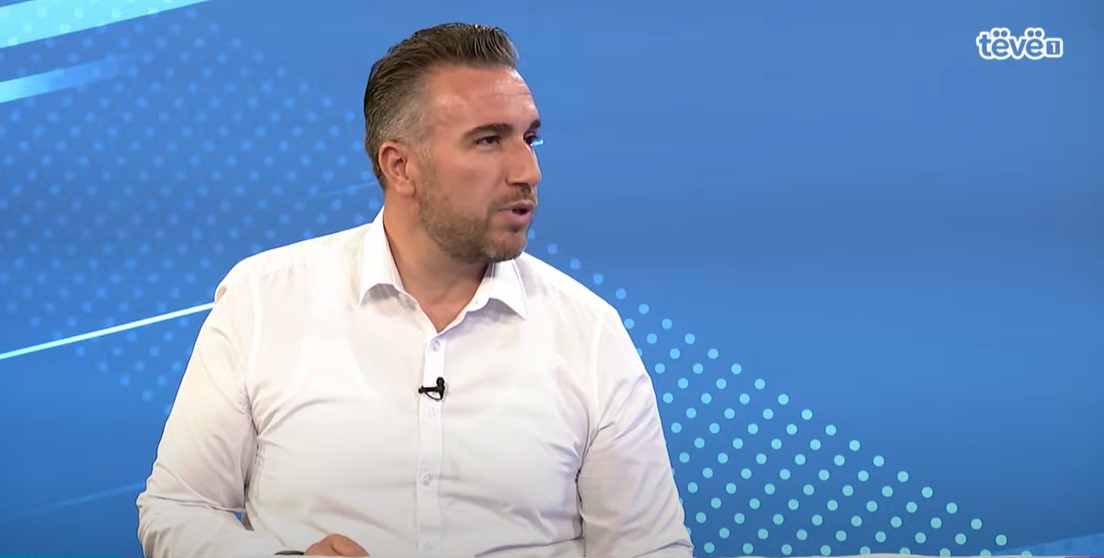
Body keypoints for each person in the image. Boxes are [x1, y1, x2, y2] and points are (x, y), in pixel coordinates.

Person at [136, 22, 693, 558]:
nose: (528, 171)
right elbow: (177, 509)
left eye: (530, 138)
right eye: (488, 141)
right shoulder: (264, 300)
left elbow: (650, 548)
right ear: (400, 166)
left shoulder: (589, 332)